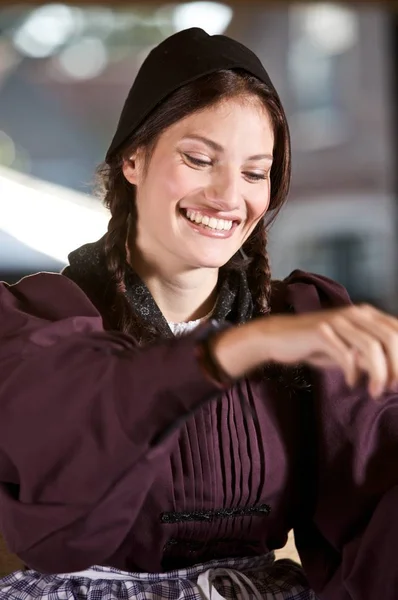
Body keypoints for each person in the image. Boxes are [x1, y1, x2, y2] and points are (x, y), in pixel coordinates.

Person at [1, 27, 398, 600]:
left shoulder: (299, 317)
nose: (227, 196)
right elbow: (71, 506)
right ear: (133, 158)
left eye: (255, 172)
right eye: (198, 159)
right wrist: (234, 351)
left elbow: (378, 488)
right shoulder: (39, 321)